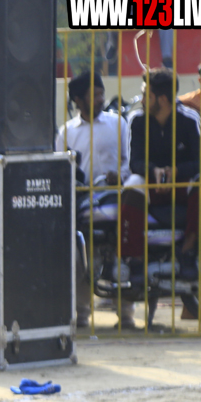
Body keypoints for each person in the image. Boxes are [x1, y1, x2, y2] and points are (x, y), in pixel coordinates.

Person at [121, 68, 201, 329]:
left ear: (161, 99)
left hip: (183, 185)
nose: (141, 99)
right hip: (151, 185)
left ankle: (188, 251)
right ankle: (135, 261)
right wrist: (154, 171)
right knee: (132, 184)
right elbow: (134, 162)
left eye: (146, 94)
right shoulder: (137, 120)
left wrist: (175, 171)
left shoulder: (190, 118)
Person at [55, 71, 132, 327]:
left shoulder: (118, 124)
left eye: (101, 94)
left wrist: (120, 176)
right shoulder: (66, 133)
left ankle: (126, 315)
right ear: (78, 100)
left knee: (121, 253)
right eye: (94, 95)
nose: (101, 99)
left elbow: (130, 160)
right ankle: (81, 315)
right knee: (84, 258)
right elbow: (60, 170)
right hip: (81, 204)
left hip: (115, 200)